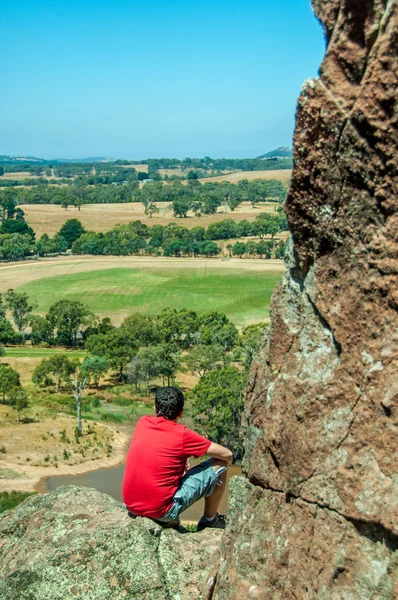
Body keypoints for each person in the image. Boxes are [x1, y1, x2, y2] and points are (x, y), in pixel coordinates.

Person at [122, 386, 233, 530]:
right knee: (221, 465)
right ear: (181, 412)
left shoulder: (142, 422)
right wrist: (227, 465)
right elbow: (227, 454)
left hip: (131, 505)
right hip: (161, 511)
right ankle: (210, 520)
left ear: (155, 408)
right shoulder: (182, 434)